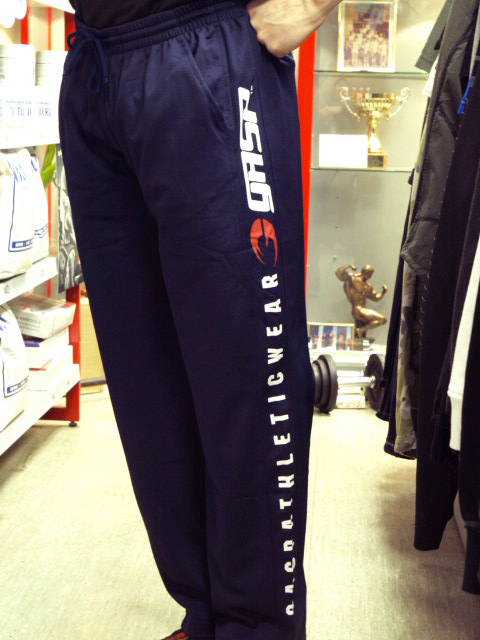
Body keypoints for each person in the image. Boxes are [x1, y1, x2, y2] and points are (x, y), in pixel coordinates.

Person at [59, 1, 341, 639]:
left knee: (245, 378)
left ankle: (256, 626)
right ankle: (205, 612)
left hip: (204, 50)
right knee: (146, 380)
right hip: (95, 67)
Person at [335, 263, 388, 338]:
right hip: (357, 309)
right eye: (370, 274)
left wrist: (383, 292)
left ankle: (360, 331)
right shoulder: (351, 278)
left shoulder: (367, 286)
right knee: (382, 319)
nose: (370, 277)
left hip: (362, 310)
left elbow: (376, 298)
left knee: (360, 337)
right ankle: (361, 330)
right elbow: (338, 273)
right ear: (365, 272)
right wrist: (348, 266)